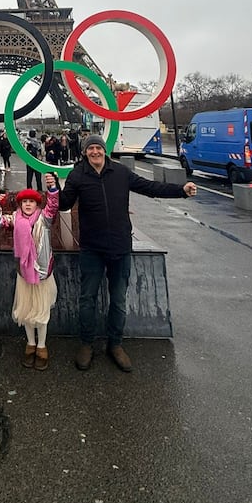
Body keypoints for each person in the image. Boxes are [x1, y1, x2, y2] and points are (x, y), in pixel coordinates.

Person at [56, 133, 197, 373]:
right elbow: (64, 204)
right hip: (91, 247)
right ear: (84, 152)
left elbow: (150, 187)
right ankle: (87, 344)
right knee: (86, 299)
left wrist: (181, 190)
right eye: (90, 149)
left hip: (120, 247)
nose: (95, 152)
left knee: (118, 301)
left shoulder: (120, 173)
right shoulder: (77, 175)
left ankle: (116, 344)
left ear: (104, 150)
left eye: (98, 148)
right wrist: (51, 190)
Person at [0, 180, 59, 370]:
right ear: (20, 204)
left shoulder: (44, 218)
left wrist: (52, 189)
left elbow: (53, 205)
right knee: (26, 311)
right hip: (24, 274)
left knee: (42, 312)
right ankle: (30, 343)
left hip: (42, 273)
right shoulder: (15, 218)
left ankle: (42, 346)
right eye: (24, 202)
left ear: (38, 204)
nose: (28, 204)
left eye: (31, 201)